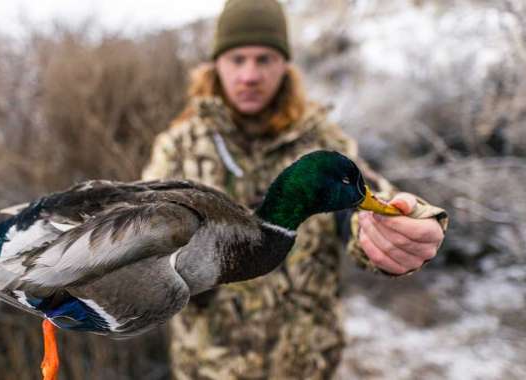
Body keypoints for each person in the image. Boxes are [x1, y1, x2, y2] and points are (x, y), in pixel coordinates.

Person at [142, 0, 448, 378]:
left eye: (264, 59)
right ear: (216, 64)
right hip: (209, 369)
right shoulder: (177, 147)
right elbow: (143, 241)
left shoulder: (322, 140)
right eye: (237, 59)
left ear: (285, 65)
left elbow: (365, 206)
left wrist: (407, 223)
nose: (250, 75)